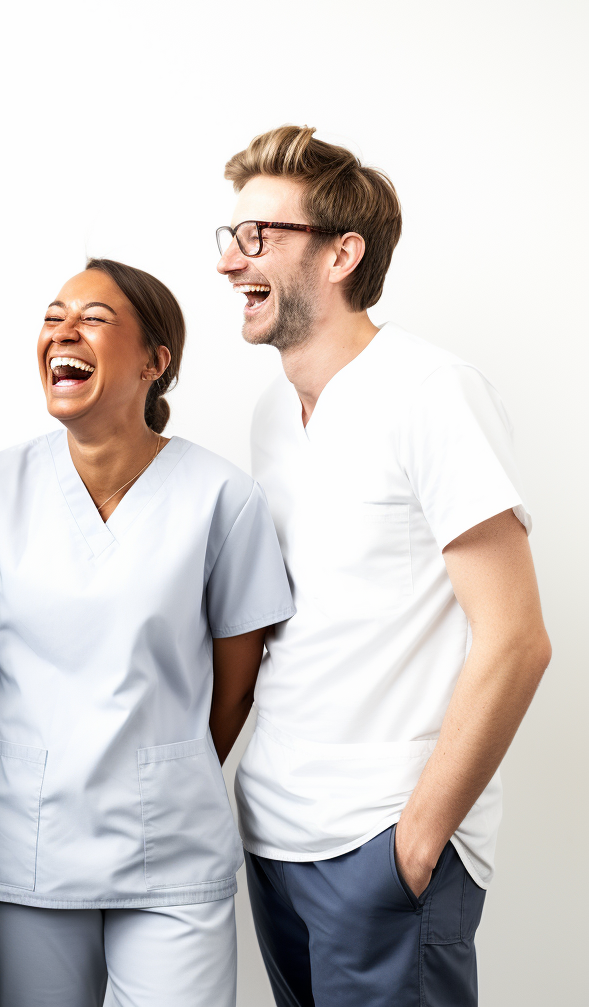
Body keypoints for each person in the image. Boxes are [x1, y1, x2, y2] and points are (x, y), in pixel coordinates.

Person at [216, 126, 552, 1007]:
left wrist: (417, 839)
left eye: (259, 237)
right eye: (230, 236)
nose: (229, 262)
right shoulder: (271, 414)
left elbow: (516, 639)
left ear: (341, 254)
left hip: (384, 843)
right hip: (278, 837)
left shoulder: (431, 390)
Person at [0, 258, 294, 1007]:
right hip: (28, 841)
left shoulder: (221, 497)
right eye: (53, 315)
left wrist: (160, 765)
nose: (63, 332)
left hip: (168, 845)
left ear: (154, 361)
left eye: (94, 319)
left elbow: (236, 684)